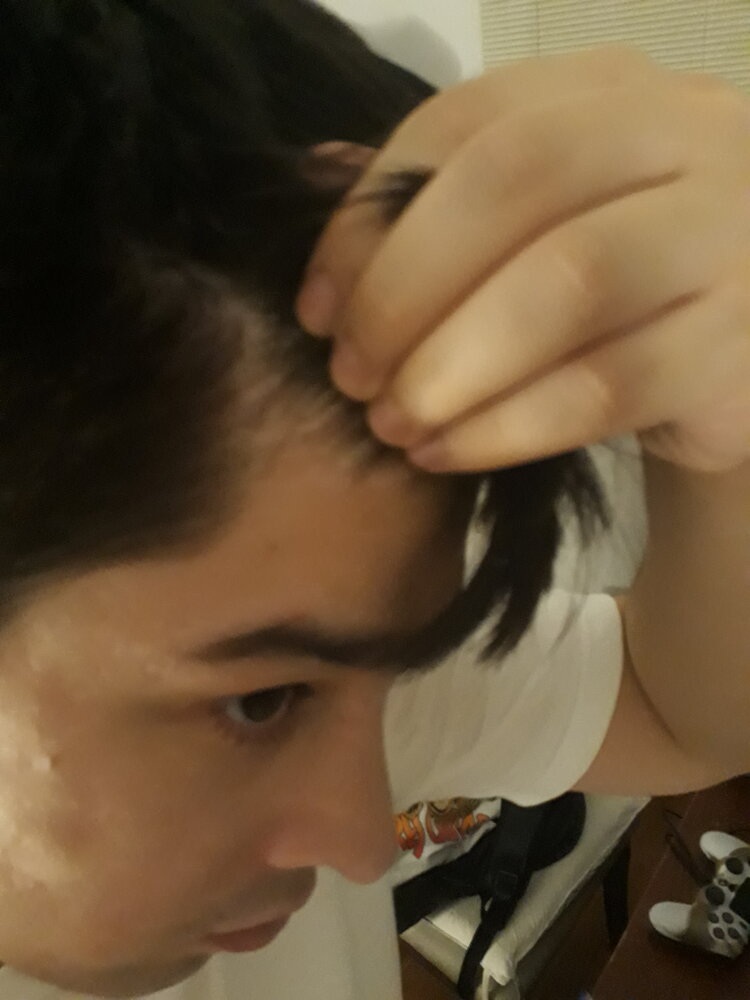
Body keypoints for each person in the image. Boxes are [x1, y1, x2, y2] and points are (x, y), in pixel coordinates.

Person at [0, 1, 747, 999]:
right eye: (259, 702)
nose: (364, 843)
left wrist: (724, 440)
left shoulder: (359, 706)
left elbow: (679, 712)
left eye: (404, 659)